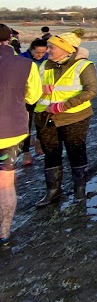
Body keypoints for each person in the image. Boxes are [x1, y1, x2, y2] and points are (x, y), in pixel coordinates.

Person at [34, 32, 97, 206]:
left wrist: (63, 105)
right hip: (45, 117)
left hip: (74, 117)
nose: (47, 50)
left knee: (76, 151)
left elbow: (90, 91)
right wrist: (40, 89)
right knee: (51, 153)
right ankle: (53, 191)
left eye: (51, 47)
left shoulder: (83, 65)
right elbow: (32, 88)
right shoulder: (44, 65)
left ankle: (80, 190)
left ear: (65, 49)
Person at [0, 24, 42, 249]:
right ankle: (4, 232)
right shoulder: (26, 64)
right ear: (9, 40)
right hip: (10, 131)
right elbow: (33, 97)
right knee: (6, 184)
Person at [18, 39, 49, 167]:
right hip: (27, 96)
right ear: (31, 50)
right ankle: (26, 152)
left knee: (41, 122)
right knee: (26, 123)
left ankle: (39, 141)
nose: (40, 55)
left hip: (43, 96)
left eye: (43, 52)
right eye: (37, 53)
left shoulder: (48, 59)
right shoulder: (21, 59)